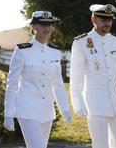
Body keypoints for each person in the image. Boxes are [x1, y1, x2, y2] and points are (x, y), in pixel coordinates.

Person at [70, 4, 116, 148]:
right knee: (100, 144)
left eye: (109, 20)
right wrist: (77, 102)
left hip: (115, 102)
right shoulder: (81, 42)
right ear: (93, 19)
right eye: (103, 19)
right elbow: (76, 76)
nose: (107, 23)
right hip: (95, 102)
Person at [4, 11, 72, 148]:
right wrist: (8, 114)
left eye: (50, 24)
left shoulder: (55, 52)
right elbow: (12, 84)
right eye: (42, 24)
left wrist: (64, 108)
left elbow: (58, 84)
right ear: (34, 26)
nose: (47, 28)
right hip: (27, 109)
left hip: (46, 111)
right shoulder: (22, 50)